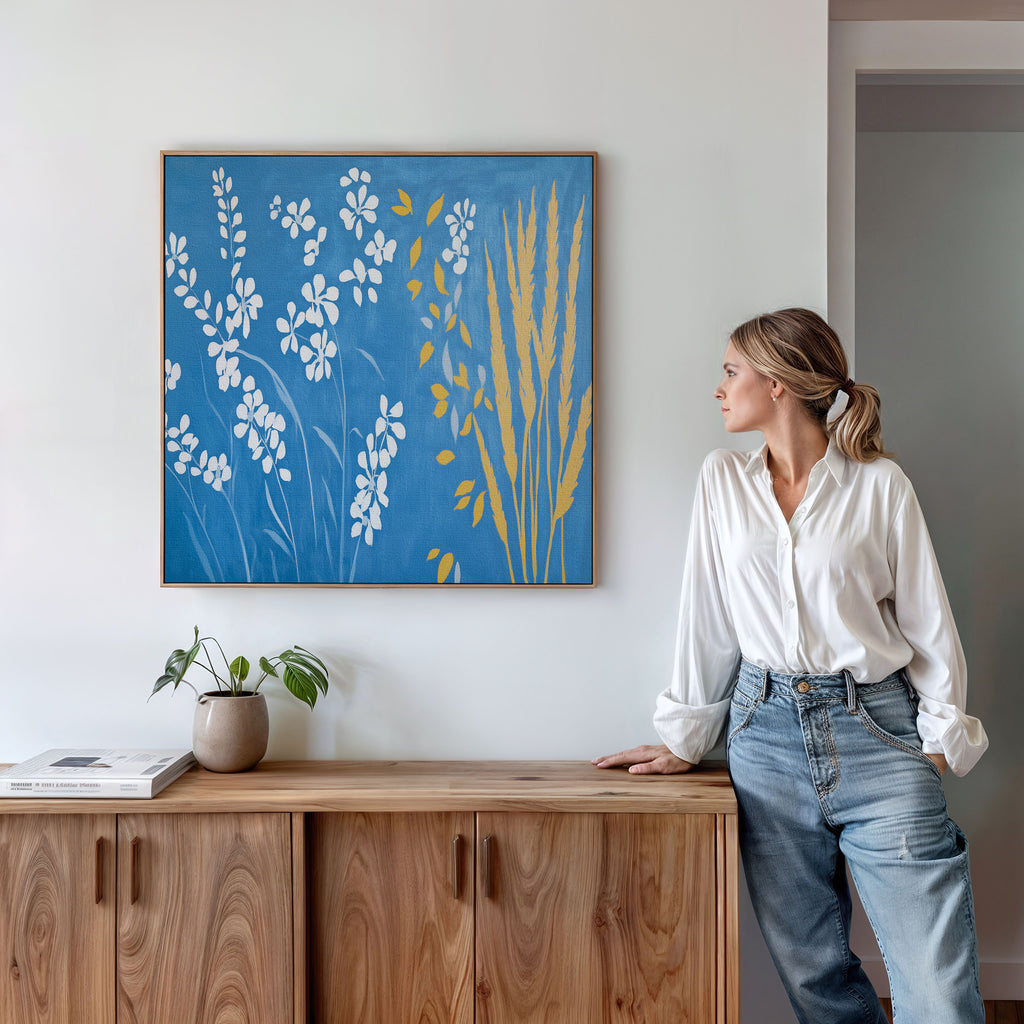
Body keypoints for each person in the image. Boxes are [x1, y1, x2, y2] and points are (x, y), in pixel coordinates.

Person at [594, 308, 988, 1024]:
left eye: (730, 371)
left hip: (879, 729)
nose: (719, 388)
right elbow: (705, 617)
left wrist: (935, 741)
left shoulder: (880, 486)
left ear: (777, 384)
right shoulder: (722, 482)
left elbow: (929, 623)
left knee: (937, 990)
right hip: (763, 735)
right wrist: (687, 737)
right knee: (815, 979)